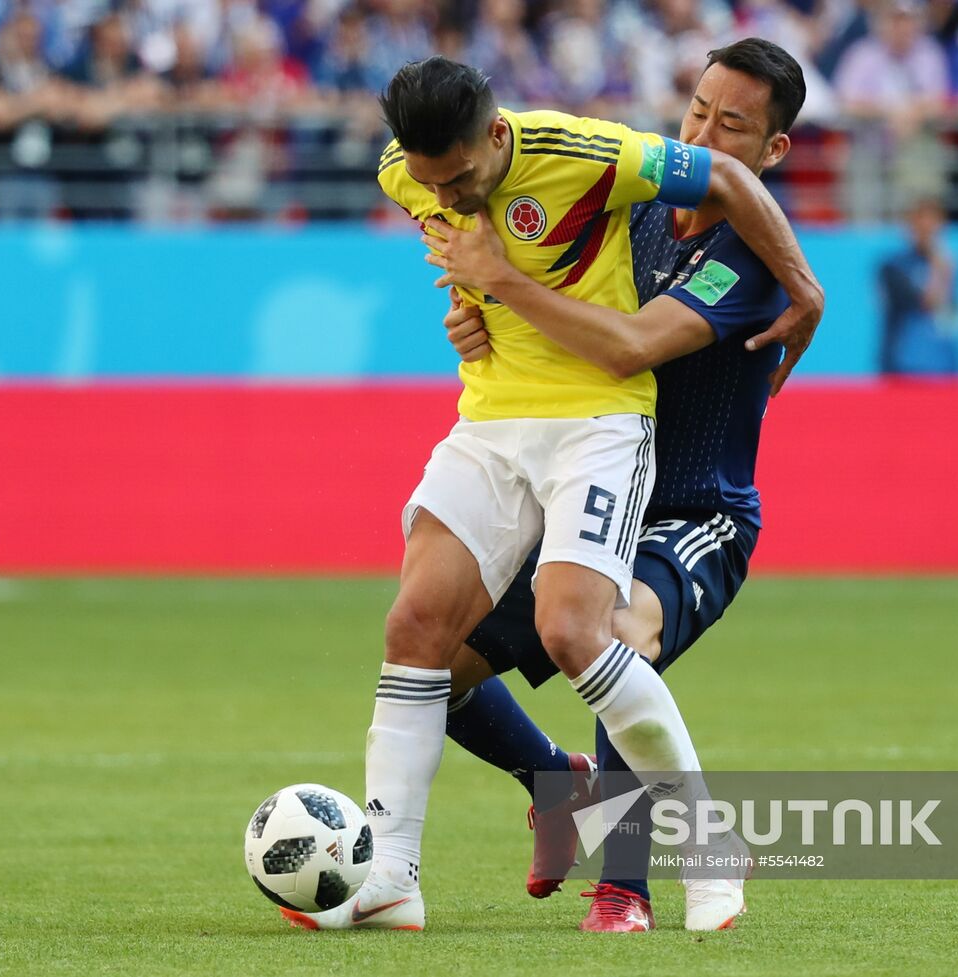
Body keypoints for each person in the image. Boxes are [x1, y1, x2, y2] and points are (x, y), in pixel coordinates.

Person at [282, 49, 821, 934]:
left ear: (771, 151)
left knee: (610, 631)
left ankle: (632, 880)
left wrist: (806, 287)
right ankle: (548, 787)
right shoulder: (628, 206)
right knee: (436, 657)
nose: (700, 133)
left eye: (732, 125)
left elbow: (625, 348)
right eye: (695, 109)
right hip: (555, 466)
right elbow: (529, 282)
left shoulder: (746, 256)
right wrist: (477, 312)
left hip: (691, 508)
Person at [877, 197, 958, 376]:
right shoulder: (894, 267)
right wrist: (939, 271)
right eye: (921, 223)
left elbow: (954, 315)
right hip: (904, 366)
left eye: (933, 223)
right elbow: (925, 303)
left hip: (944, 366)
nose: (927, 230)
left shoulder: (952, 266)